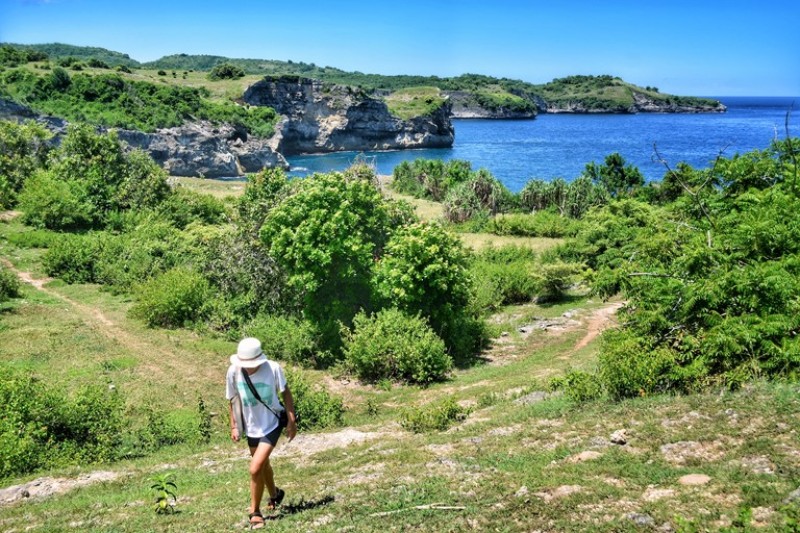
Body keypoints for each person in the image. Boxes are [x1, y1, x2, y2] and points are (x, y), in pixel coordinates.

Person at [226, 337, 297, 529]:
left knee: (255, 468)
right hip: (251, 427)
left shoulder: (272, 368)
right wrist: (234, 426)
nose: (247, 368)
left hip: (272, 423)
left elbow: (286, 393)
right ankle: (275, 494)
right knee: (263, 465)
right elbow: (232, 399)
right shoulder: (233, 371)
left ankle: (255, 512)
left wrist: (292, 421)